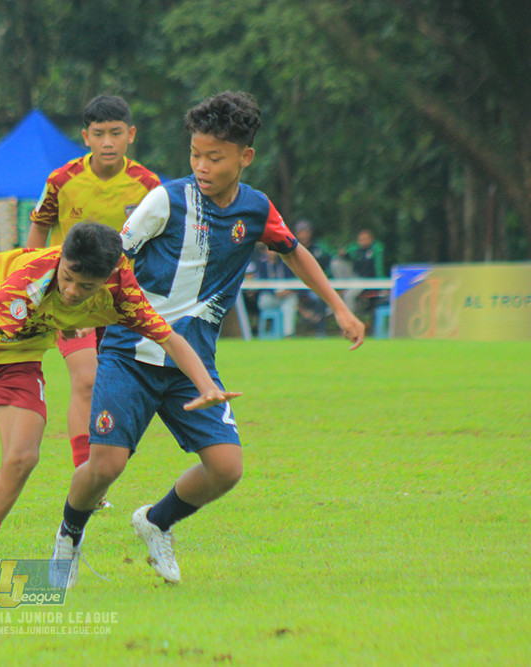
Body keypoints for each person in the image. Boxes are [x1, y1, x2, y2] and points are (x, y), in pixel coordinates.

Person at [49, 91, 365, 587]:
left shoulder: (256, 209)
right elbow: (112, 256)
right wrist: (80, 310)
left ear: (246, 157)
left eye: (214, 157)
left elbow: (293, 251)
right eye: (195, 154)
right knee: (105, 465)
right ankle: (69, 537)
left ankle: (156, 521)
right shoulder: (166, 200)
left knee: (226, 467)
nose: (201, 165)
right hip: (129, 354)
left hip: (193, 362)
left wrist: (340, 307)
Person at [0, 222, 236, 602]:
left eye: (85, 287)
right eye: (67, 278)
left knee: (23, 457)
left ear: (106, 277)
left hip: (19, 353)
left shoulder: (121, 289)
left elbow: (169, 337)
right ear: (61, 259)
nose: (71, 291)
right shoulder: (33, 278)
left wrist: (207, 386)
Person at [27, 94, 161, 492]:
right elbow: (40, 226)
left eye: (116, 133)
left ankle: (103, 466)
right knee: (85, 380)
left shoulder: (149, 186)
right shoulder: (61, 179)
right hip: (72, 301)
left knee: (114, 386)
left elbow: (159, 242)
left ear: (130, 135)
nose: (107, 142)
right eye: (99, 133)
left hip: (121, 304)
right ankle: (84, 475)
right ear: (85, 136)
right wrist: (34, 282)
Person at [293, 220, 332, 335]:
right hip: (297, 287)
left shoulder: (319, 249)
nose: (303, 235)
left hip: (314, 286)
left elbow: (327, 268)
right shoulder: (291, 249)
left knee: (319, 297)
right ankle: (305, 319)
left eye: (306, 232)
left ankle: (320, 329)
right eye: (301, 232)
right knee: (291, 298)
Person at [253, 244, 298, 337]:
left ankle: (288, 334)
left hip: (284, 296)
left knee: (291, 301)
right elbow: (261, 284)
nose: (272, 252)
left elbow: (291, 280)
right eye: (269, 250)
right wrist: (274, 293)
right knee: (264, 299)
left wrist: (286, 291)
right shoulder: (261, 264)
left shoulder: (284, 264)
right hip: (268, 297)